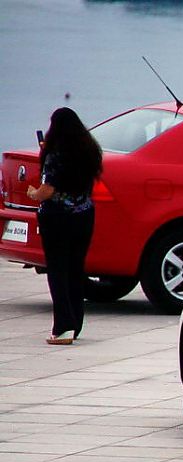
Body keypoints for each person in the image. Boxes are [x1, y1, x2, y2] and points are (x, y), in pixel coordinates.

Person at [27, 107, 102, 345]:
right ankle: (76, 323)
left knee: (57, 271)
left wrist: (33, 193)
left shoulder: (55, 155)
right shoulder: (89, 151)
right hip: (84, 215)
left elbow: (47, 190)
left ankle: (63, 327)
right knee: (75, 269)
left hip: (57, 218)